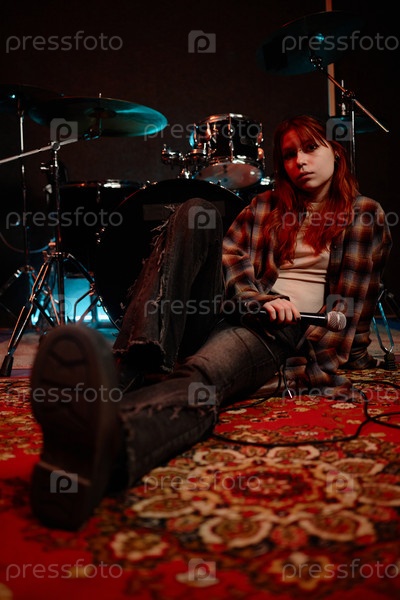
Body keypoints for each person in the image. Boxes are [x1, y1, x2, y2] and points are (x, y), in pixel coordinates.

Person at [29, 115, 392, 531]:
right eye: (290, 154)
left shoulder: (364, 215)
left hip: (280, 333)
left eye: (310, 148)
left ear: (336, 152)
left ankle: (107, 443)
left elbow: (350, 309)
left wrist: (326, 361)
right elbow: (229, 257)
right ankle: (133, 363)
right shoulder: (265, 206)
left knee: (203, 376)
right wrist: (259, 298)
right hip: (232, 310)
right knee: (195, 211)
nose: (300, 162)